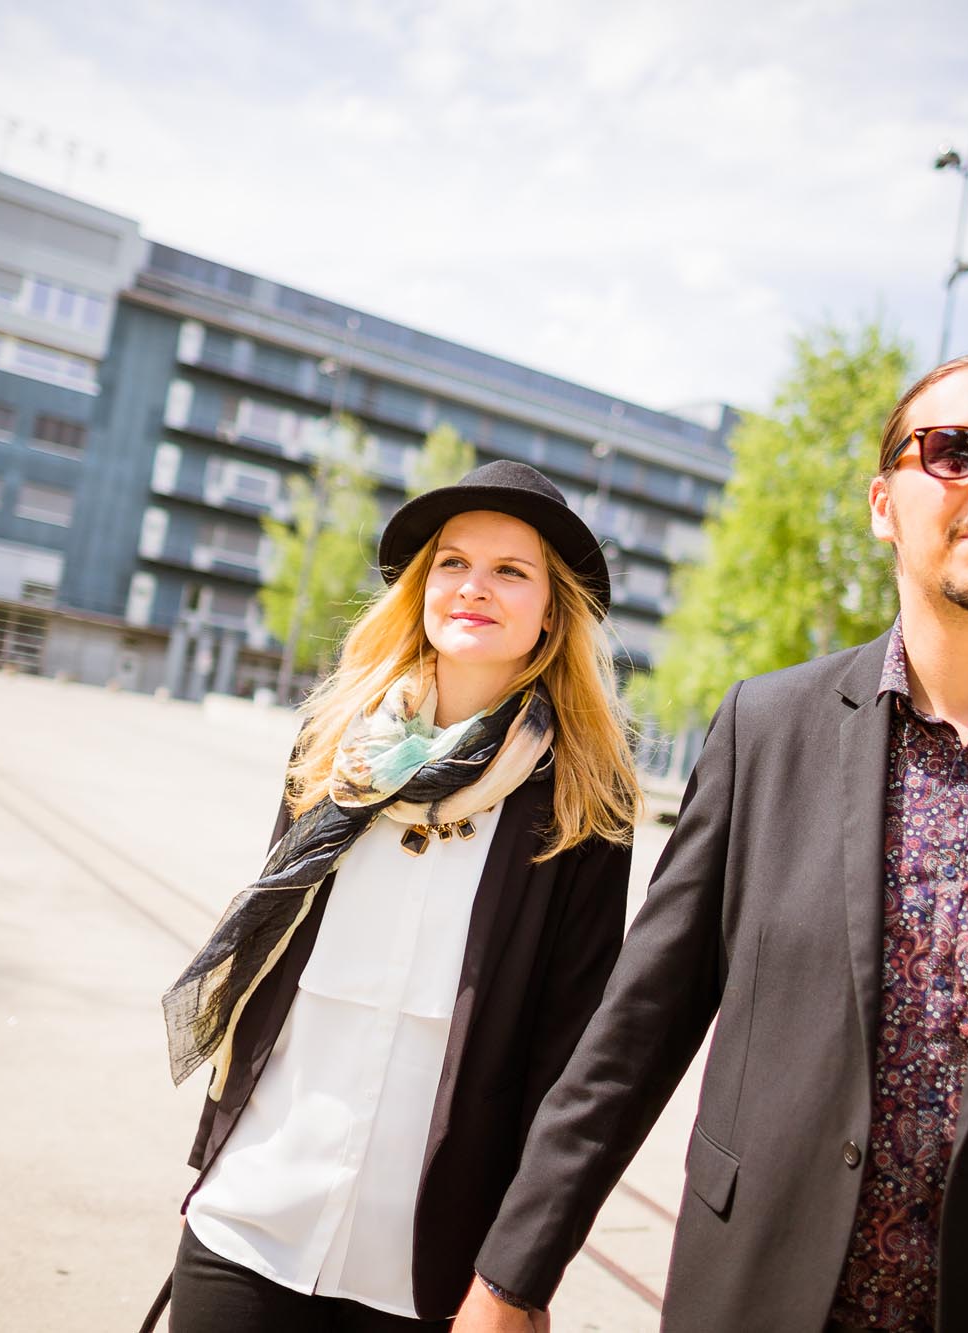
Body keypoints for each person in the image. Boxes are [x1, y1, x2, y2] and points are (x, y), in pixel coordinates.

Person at [454, 354, 968, 1332]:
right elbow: (635, 1029)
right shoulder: (763, 728)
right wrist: (509, 1275)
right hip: (753, 1296)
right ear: (883, 503)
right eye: (953, 450)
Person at [143, 460, 640, 1333]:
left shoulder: (585, 803)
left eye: (510, 571)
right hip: (254, 1210)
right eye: (451, 563)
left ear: (552, 612)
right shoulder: (337, 746)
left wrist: (519, 1275)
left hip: (426, 1262)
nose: (473, 587)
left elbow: (575, 1061)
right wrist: (214, 1161)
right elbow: (264, 966)